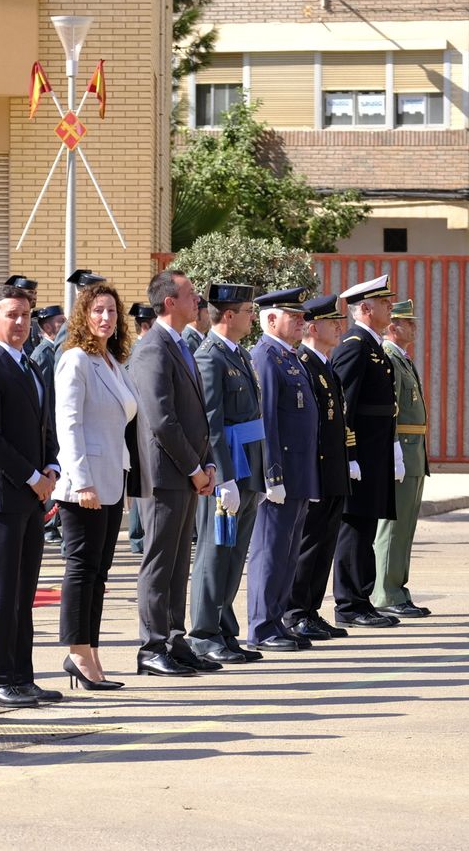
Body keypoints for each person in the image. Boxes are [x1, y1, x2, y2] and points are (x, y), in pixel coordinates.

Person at [0, 284, 62, 708]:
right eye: (12, 315)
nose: (21, 322)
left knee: (25, 591)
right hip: (2, 496)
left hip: (32, 494)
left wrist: (52, 466)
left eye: (25, 315)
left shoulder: (29, 364)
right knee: (3, 590)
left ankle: (22, 676)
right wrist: (31, 476)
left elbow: (44, 426)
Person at [126, 270, 216, 676]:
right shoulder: (152, 349)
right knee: (160, 562)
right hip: (164, 474)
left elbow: (196, 415)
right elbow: (162, 420)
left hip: (187, 471)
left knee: (180, 562)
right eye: (190, 294)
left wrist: (207, 461)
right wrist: (195, 468)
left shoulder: (179, 344)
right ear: (169, 303)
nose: (197, 300)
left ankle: (175, 640)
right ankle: (152, 646)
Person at [52, 282, 137, 690]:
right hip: (84, 484)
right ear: (83, 316)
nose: (106, 318)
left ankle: (91, 652)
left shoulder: (112, 361)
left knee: (99, 572)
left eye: (112, 311)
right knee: (82, 570)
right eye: (98, 310)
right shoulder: (76, 360)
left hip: (112, 478)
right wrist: (82, 481)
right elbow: (68, 425)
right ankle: (77, 654)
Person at [240, 288, 319, 653]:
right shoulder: (266, 357)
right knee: (270, 552)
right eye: (294, 315)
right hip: (281, 473)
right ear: (271, 319)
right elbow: (267, 420)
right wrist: (272, 475)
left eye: (302, 316)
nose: (302, 321)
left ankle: (277, 620)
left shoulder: (289, 356)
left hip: (299, 471)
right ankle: (261, 626)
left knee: (287, 553)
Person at [188, 282, 262, 667]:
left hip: (249, 465)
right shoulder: (209, 357)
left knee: (234, 555)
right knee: (215, 553)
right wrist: (224, 476)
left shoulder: (239, 354)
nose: (253, 317)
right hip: (228, 469)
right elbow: (212, 424)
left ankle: (224, 629)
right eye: (248, 311)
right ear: (229, 315)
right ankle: (203, 634)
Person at [330, 275, 403, 629]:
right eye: (385, 303)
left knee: (366, 526)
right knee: (354, 527)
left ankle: (362, 598)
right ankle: (349, 603)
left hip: (376, 452)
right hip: (361, 453)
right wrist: (350, 454)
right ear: (365, 308)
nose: (391, 308)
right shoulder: (355, 346)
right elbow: (344, 404)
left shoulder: (372, 346)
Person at [284, 294, 353, 642]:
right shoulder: (304, 365)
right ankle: (296, 612)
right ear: (313, 328)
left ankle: (311, 609)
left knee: (325, 544)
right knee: (309, 545)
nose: (339, 327)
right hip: (316, 470)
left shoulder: (325, 366)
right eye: (332, 322)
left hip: (333, 470)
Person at [373, 299, 432, 616]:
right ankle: (385, 592)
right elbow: (391, 411)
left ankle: (397, 589)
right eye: (409, 322)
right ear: (393, 326)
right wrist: (393, 449)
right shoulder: (390, 358)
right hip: (402, 451)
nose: (415, 327)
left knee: (405, 526)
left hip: (414, 452)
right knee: (393, 527)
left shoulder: (402, 359)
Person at [124, 302, 158, 557]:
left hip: (141, 427)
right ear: (146, 325)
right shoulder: (140, 352)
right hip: (138, 428)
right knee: (140, 487)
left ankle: (138, 535)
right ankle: (137, 536)